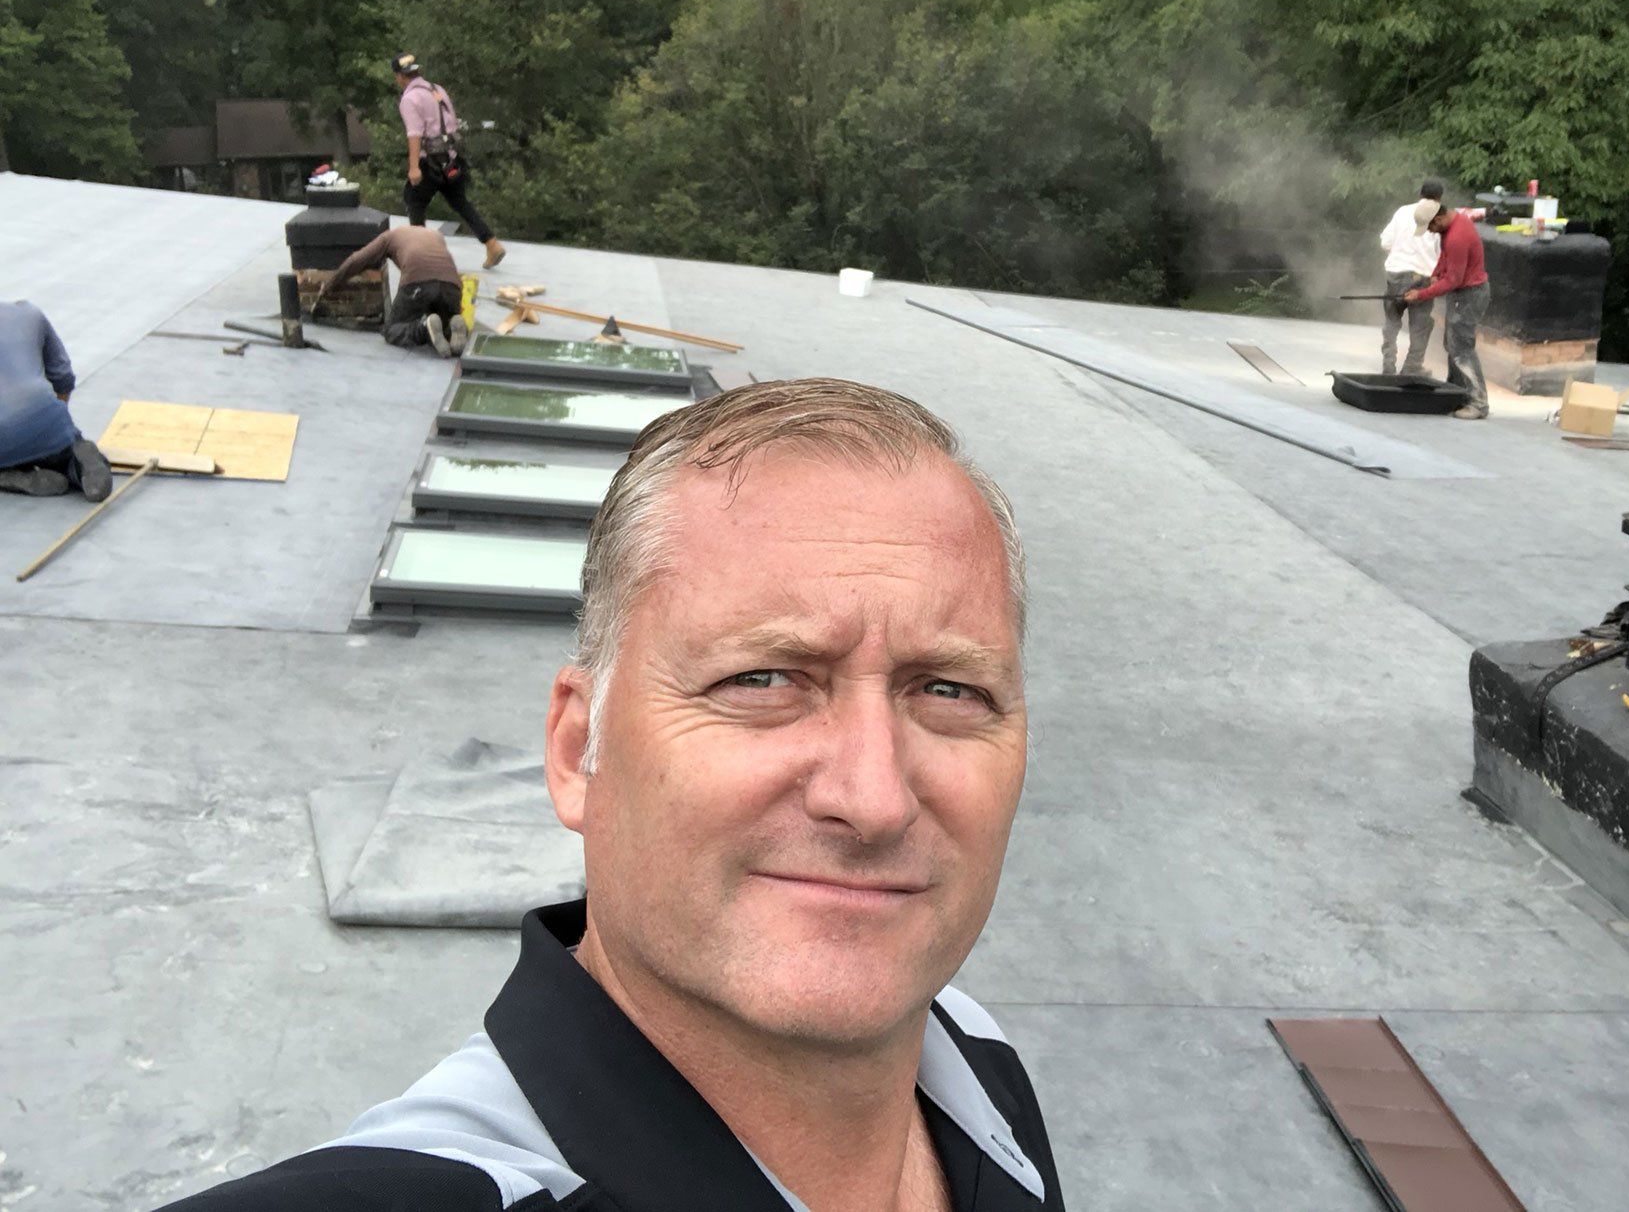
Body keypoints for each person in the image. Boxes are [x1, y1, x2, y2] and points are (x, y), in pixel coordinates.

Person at [158, 378, 1065, 1212]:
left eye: (950, 690)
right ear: (575, 748)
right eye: (761, 680)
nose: (873, 798)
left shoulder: (970, 1060)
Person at [393, 53, 506, 270]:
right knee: (460, 202)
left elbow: (415, 134)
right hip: (451, 158)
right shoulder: (437, 90)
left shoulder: (409, 99)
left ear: (399, 76)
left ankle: (421, 257)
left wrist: (414, 167)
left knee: (414, 201)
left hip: (430, 163)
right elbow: (451, 124)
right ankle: (491, 244)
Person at [0, 300, 112, 500]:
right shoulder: (30, 313)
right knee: (60, 449)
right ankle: (76, 464)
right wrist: (57, 427)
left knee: (8, 447)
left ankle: (10, 475)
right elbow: (63, 377)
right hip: (45, 412)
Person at [317, 225, 469, 358]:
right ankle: (452, 323)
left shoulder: (389, 236)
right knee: (442, 317)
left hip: (418, 282)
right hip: (452, 285)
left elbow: (357, 260)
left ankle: (423, 329)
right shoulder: (435, 235)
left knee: (392, 329)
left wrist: (330, 284)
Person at [1405, 205, 1491, 419]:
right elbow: (1446, 256)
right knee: (1452, 343)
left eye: (1431, 226)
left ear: (1440, 218)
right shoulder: (1453, 226)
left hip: (1469, 295)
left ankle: (1478, 403)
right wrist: (1436, 273)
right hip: (1463, 294)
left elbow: (1454, 280)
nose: (1431, 231)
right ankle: (1455, 392)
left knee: (1462, 348)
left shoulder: (1457, 237)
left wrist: (1422, 294)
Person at [1376, 182, 1443, 375]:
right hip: (1422, 278)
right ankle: (1412, 368)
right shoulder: (1438, 219)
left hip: (1396, 274)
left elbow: (1385, 242)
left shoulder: (1403, 212)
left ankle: (1388, 365)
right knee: (1420, 325)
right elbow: (1441, 254)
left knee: (1391, 320)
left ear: (1420, 194)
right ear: (1439, 199)